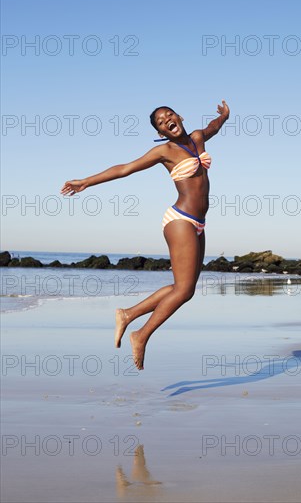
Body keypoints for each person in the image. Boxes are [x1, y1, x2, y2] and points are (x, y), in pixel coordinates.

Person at [61, 100, 230, 369]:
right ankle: (140, 335)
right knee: (184, 290)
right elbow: (125, 168)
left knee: (183, 290)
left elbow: (213, 127)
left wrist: (224, 116)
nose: (167, 121)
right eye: (161, 123)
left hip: (199, 222)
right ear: (161, 133)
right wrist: (86, 182)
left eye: (169, 115)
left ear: (179, 116)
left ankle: (127, 314)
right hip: (180, 220)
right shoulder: (164, 150)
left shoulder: (197, 138)